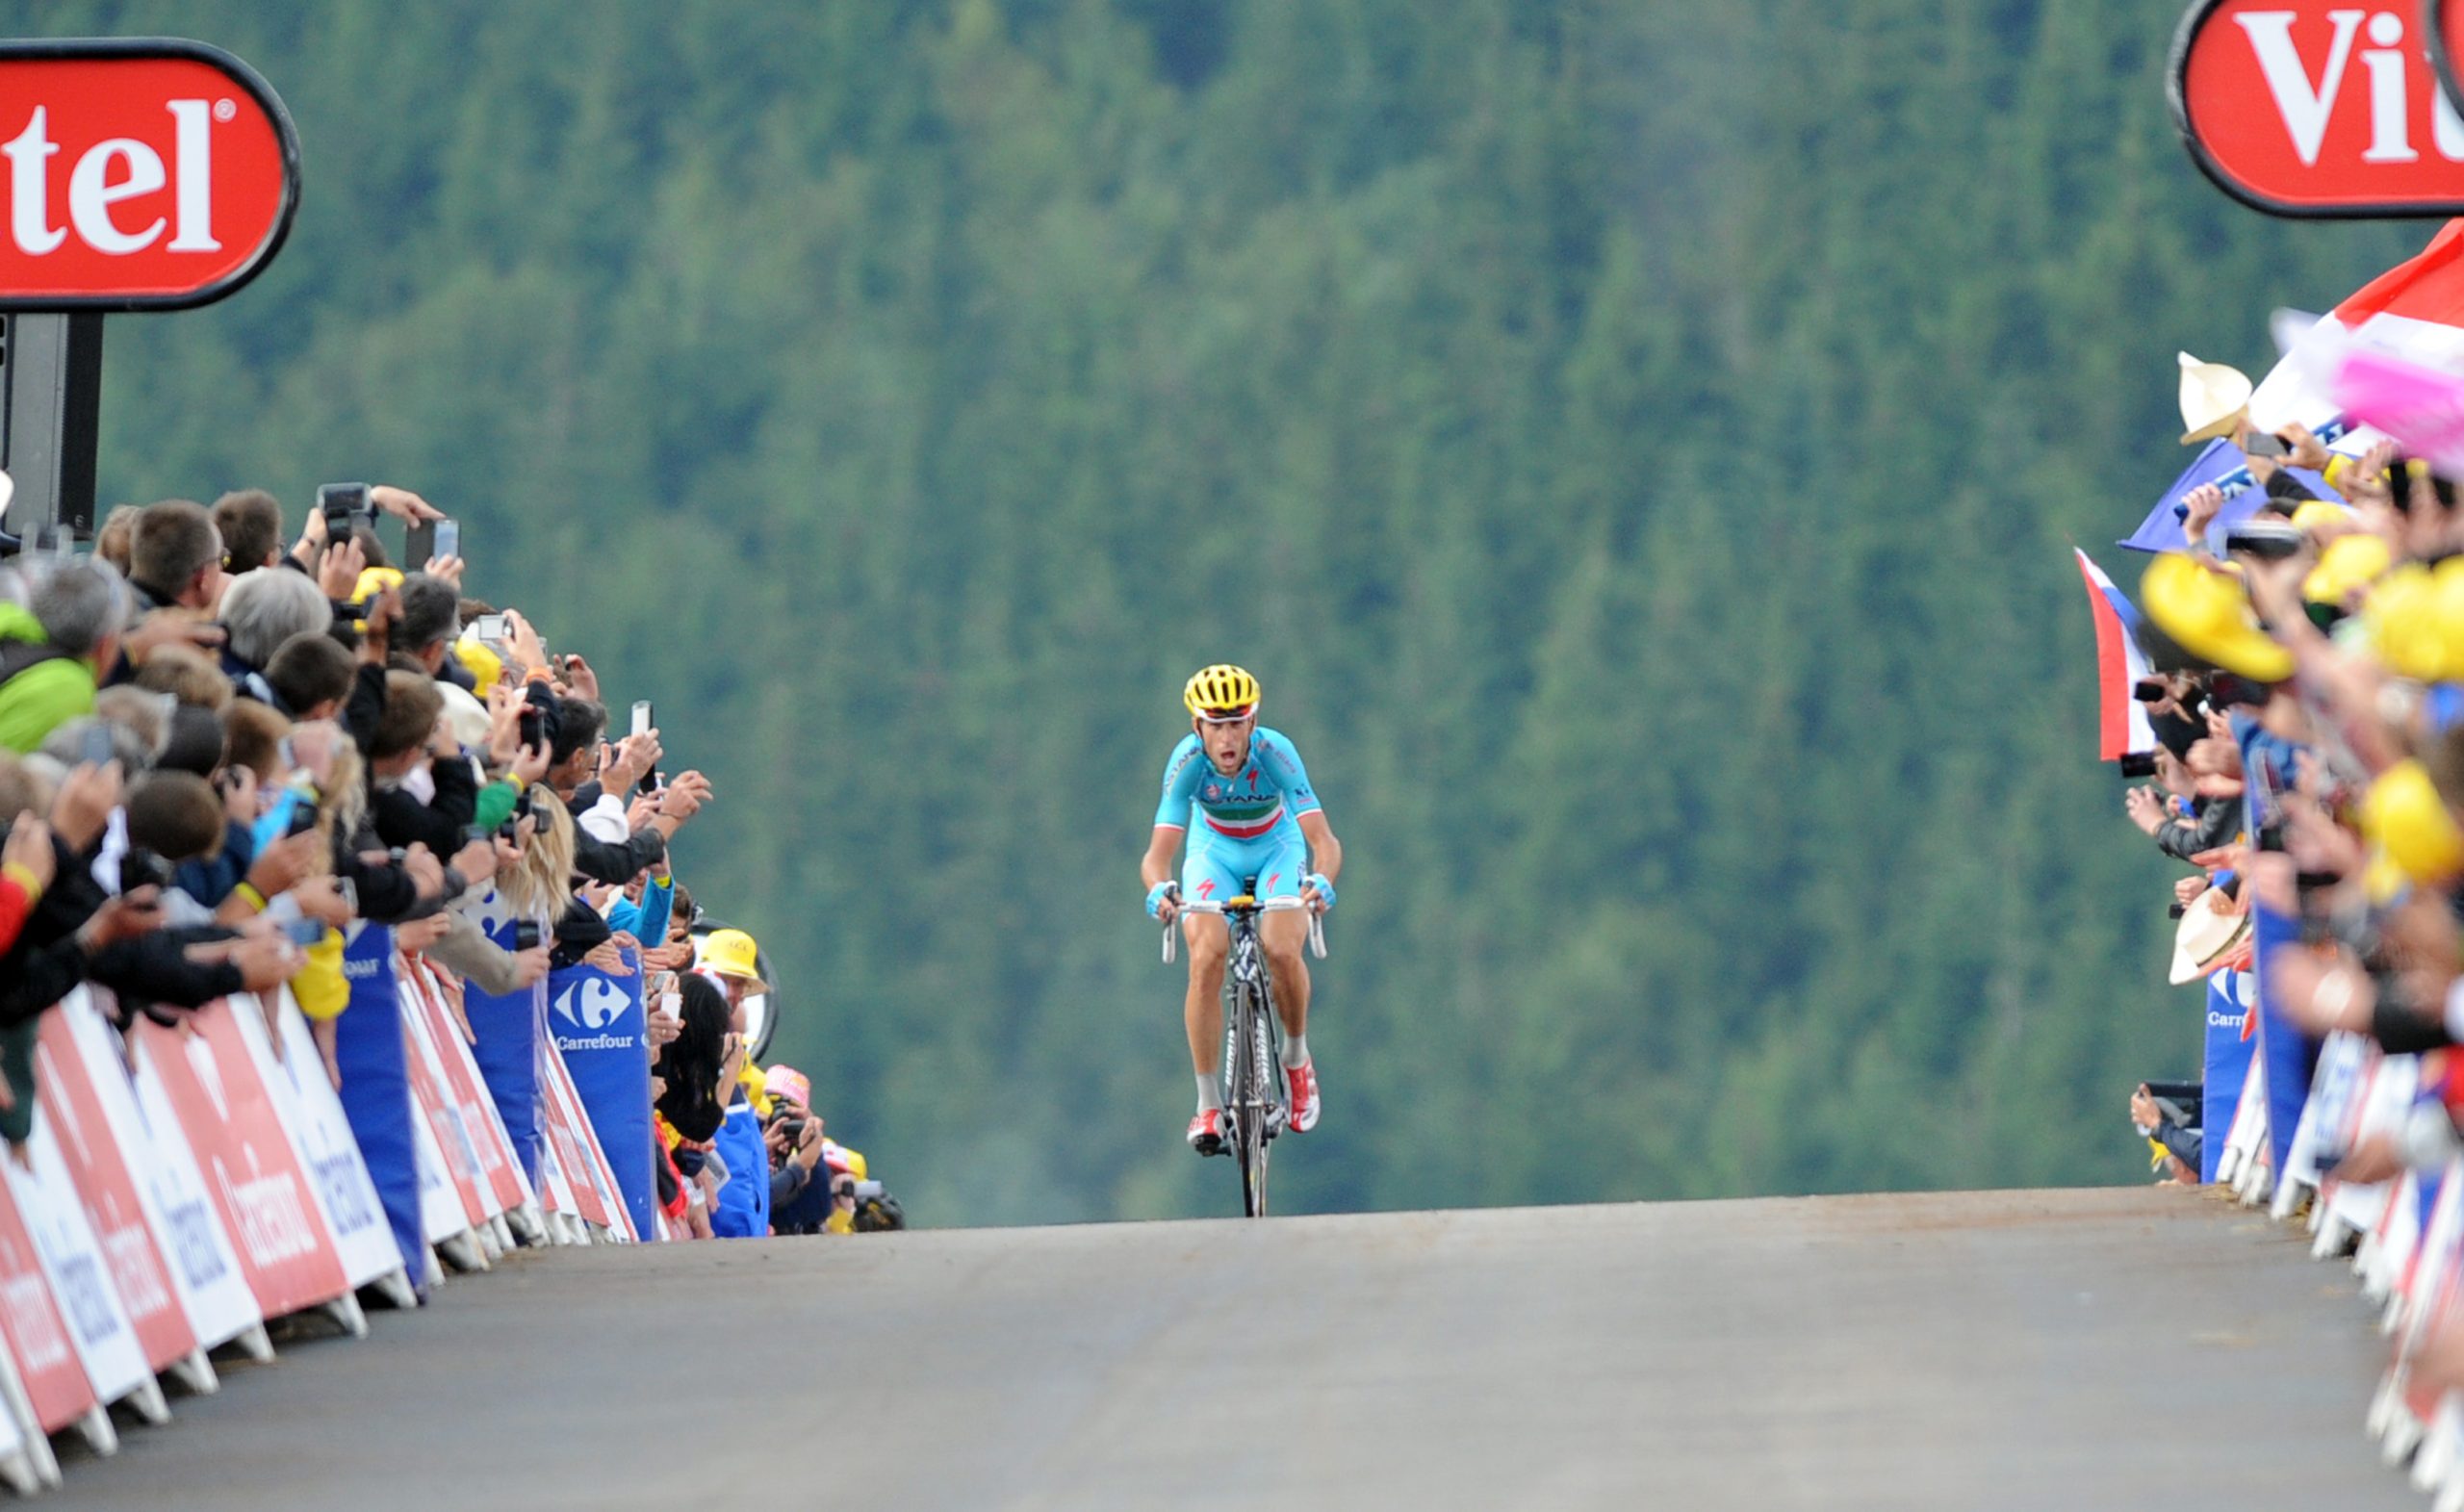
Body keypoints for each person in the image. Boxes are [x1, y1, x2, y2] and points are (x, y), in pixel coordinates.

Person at [1138, 664, 1342, 1155]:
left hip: (1277, 848)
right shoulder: (1187, 762)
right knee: (1206, 956)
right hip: (1215, 854)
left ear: (1253, 724)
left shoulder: (1276, 753)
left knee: (1280, 947)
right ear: (1197, 728)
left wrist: (1321, 880)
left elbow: (1323, 840)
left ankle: (1295, 1057)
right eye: (1215, 724)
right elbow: (1157, 854)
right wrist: (1159, 888)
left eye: (1237, 723)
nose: (1227, 737)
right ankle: (1208, 1102)